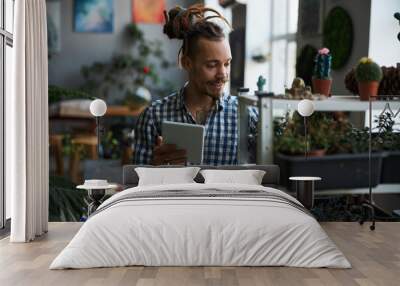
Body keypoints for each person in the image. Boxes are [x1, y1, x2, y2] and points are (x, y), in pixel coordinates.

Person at [133, 4, 257, 166]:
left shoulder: (247, 117)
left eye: (226, 64)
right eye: (212, 65)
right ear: (187, 63)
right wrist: (153, 168)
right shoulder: (153, 117)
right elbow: (137, 185)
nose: (223, 74)